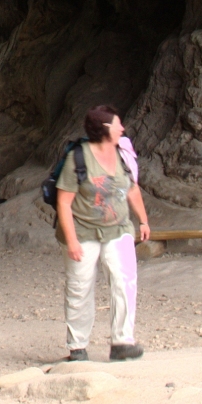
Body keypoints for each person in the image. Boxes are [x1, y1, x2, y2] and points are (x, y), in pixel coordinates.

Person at [54, 104, 150, 361]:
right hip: (83, 231)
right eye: (118, 124)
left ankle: (122, 342)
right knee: (79, 287)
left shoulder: (123, 153)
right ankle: (77, 347)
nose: (123, 128)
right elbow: (63, 202)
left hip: (118, 228)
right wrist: (72, 240)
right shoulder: (79, 158)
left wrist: (143, 220)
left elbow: (131, 189)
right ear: (106, 129)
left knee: (125, 280)